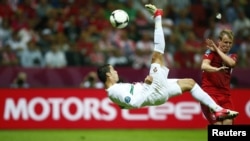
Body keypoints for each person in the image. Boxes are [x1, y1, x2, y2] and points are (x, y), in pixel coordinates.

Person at [97, 4, 238, 121]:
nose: (116, 71)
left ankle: (219, 110)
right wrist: (146, 86)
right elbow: (135, 103)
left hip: (157, 93)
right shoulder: (113, 91)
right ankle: (158, 16)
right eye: (113, 70)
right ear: (108, 75)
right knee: (156, 55)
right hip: (152, 90)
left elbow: (124, 106)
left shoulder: (114, 91)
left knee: (190, 83)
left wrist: (144, 89)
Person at [200, 29, 238, 125]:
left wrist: (217, 49)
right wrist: (216, 69)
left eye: (230, 43)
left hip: (225, 96)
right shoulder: (210, 52)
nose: (228, 45)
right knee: (218, 125)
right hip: (210, 94)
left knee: (228, 123)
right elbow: (204, 66)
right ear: (219, 41)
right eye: (225, 42)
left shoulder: (232, 56)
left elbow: (231, 63)